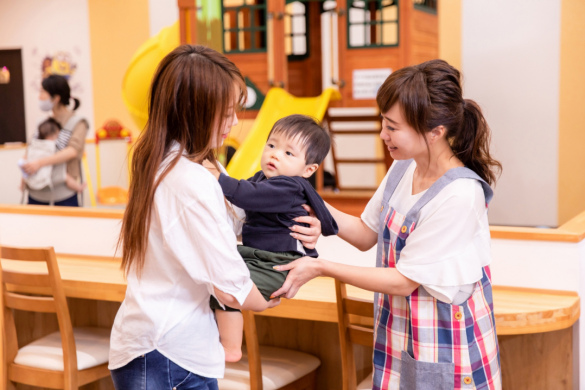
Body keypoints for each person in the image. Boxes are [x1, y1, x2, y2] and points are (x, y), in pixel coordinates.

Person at [272, 59, 503, 390]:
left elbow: (403, 281)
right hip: (401, 327)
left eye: (393, 127)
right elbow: (367, 234)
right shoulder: (403, 168)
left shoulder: (461, 195)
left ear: (435, 132)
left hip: (446, 338)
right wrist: (312, 204)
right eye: (384, 122)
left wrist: (322, 267)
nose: (383, 135)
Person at [108, 45, 322, 390]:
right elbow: (232, 287)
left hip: (160, 344)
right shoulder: (189, 178)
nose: (235, 123)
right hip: (168, 351)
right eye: (226, 113)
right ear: (193, 112)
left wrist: (291, 227)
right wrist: (283, 285)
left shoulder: (182, 163)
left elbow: (236, 223)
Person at [204, 114, 338, 361]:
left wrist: (217, 178)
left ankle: (231, 347)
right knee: (221, 281)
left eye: (289, 153)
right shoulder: (263, 180)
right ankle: (230, 346)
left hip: (278, 263)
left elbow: (245, 195)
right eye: (272, 145)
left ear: (308, 170)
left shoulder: (289, 187)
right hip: (255, 256)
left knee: (228, 289)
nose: (275, 154)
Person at [21, 74, 89, 206]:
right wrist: (25, 171)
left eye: (42, 92)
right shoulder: (42, 122)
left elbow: (72, 151)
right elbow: (31, 148)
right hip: (35, 193)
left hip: (64, 195)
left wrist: (39, 163)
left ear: (56, 98)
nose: (39, 96)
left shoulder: (78, 123)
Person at [19, 118, 86, 199]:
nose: (57, 138)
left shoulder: (34, 145)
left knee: (27, 174)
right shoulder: (51, 146)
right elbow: (72, 151)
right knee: (65, 177)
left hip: (34, 184)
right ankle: (79, 188)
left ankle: (23, 185)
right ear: (52, 135)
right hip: (51, 185)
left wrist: (22, 183)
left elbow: (25, 163)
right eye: (56, 135)